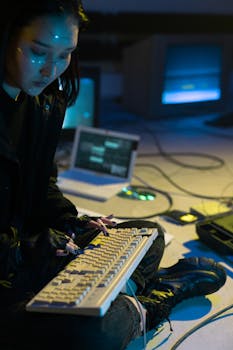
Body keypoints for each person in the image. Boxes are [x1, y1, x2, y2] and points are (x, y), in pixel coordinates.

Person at [0, 1, 227, 349]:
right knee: (91, 335)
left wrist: (72, 224)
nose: (51, 70)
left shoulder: (41, 101)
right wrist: (37, 249)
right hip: (7, 279)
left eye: (65, 55)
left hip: (34, 258)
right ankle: (144, 304)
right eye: (38, 52)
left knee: (147, 233)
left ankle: (120, 298)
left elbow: (41, 186)